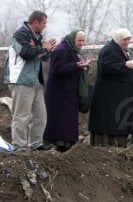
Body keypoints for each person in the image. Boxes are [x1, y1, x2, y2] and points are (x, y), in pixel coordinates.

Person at [4, 10, 56, 152]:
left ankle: (36, 143)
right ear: (36, 22)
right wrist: (43, 49)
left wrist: (48, 50)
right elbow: (26, 53)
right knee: (21, 115)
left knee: (40, 115)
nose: (45, 26)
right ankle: (19, 145)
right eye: (44, 23)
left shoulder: (38, 36)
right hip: (21, 79)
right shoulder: (20, 34)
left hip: (35, 80)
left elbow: (41, 57)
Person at [43, 30, 93, 152]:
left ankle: (67, 144)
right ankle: (60, 144)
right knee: (61, 119)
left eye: (83, 41)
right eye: (79, 40)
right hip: (59, 93)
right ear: (72, 39)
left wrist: (82, 65)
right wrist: (76, 66)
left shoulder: (71, 50)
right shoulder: (61, 50)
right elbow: (57, 69)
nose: (81, 43)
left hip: (69, 91)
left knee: (68, 119)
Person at [88, 28, 133, 147]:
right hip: (108, 94)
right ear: (118, 39)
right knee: (108, 120)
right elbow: (106, 67)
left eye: (129, 39)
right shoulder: (109, 50)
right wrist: (125, 64)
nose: (127, 42)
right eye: (125, 39)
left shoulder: (119, 49)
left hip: (116, 93)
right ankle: (107, 145)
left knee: (116, 119)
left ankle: (117, 144)